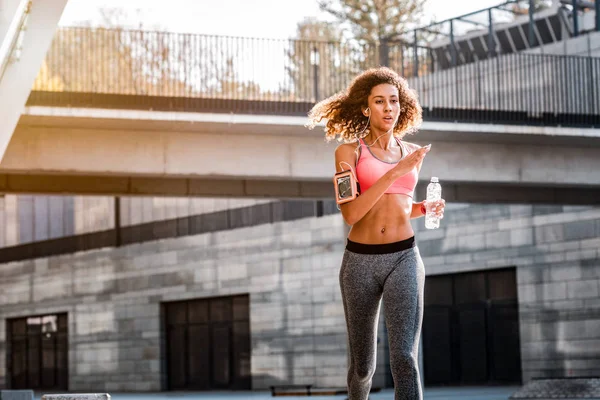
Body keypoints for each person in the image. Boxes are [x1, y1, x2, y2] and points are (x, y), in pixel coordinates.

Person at [307, 67, 445, 400]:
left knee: (404, 357)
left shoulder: (411, 153)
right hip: (360, 263)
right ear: (366, 108)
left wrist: (424, 209)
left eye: (393, 101)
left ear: (402, 107)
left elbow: (399, 205)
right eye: (379, 101)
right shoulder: (348, 153)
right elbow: (352, 212)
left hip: (404, 257)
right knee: (362, 366)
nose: (387, 108)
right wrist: (396, 171)